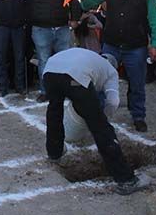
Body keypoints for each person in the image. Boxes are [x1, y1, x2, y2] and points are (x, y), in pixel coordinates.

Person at [43, 48, 147, 195]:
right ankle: (126, 180)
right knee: (101, 129)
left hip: (50, 70)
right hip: (76, 75)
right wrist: (103, 119)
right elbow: (113, 101)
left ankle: (54, 152)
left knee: (54, 112)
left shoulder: (90, 57)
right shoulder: (110, 70)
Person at [81, 0, 156, 132]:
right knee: (102, 80)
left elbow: (155, 19)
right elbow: (87, 4)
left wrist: (155, 43)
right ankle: (99, 114)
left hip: (136, 47)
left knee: (137, 83)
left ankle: (138, 115)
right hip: (111, 43)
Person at [24, 0, 81, 102]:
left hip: (62, 28)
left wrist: (75, 18)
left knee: (65, 61)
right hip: (40, 29)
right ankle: (45, 91)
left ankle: (66, 90)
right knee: (44, 61)